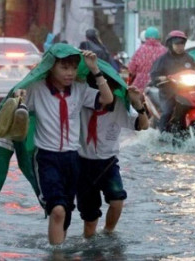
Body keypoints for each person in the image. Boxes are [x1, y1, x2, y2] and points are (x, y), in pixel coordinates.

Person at [11, 44, 113, 245]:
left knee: (65, 212)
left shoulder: (80, 89)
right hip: (47, 158)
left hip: (73, 158)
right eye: (64, 68)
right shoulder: (36, 89)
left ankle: (57, 249)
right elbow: (16, 106)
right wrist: (18, 101)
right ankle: (57, 256)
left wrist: (95, 70)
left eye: (73, 68)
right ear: (51, 67)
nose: (70, 73)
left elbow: (107, 99)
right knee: (57, 210)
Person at [77, 74, 149, 238]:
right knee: (90, 217)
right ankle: (90, 244)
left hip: (108, 163)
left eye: (112, 88)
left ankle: (108, 233)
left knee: (117, 201)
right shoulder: (81, 104)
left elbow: (143, 125)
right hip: (83, 164)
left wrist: (138, 104)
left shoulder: (118, 107)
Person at [150, 30, 195, 133]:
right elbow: (154, 74)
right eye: (177, 44)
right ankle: (162, 135)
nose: (180, 46)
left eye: (182, 44)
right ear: (170, 44)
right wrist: (160, 78)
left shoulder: (188, 58)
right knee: (168, 112)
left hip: (188, 91)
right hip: (169, 92)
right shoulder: (162, 60)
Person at [128, 27, 167, 91]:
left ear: (145, 37)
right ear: (158, 37)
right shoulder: (164, 51)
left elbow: (131, 69)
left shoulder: (140, 50)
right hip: (158, 84)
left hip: (140, 84)